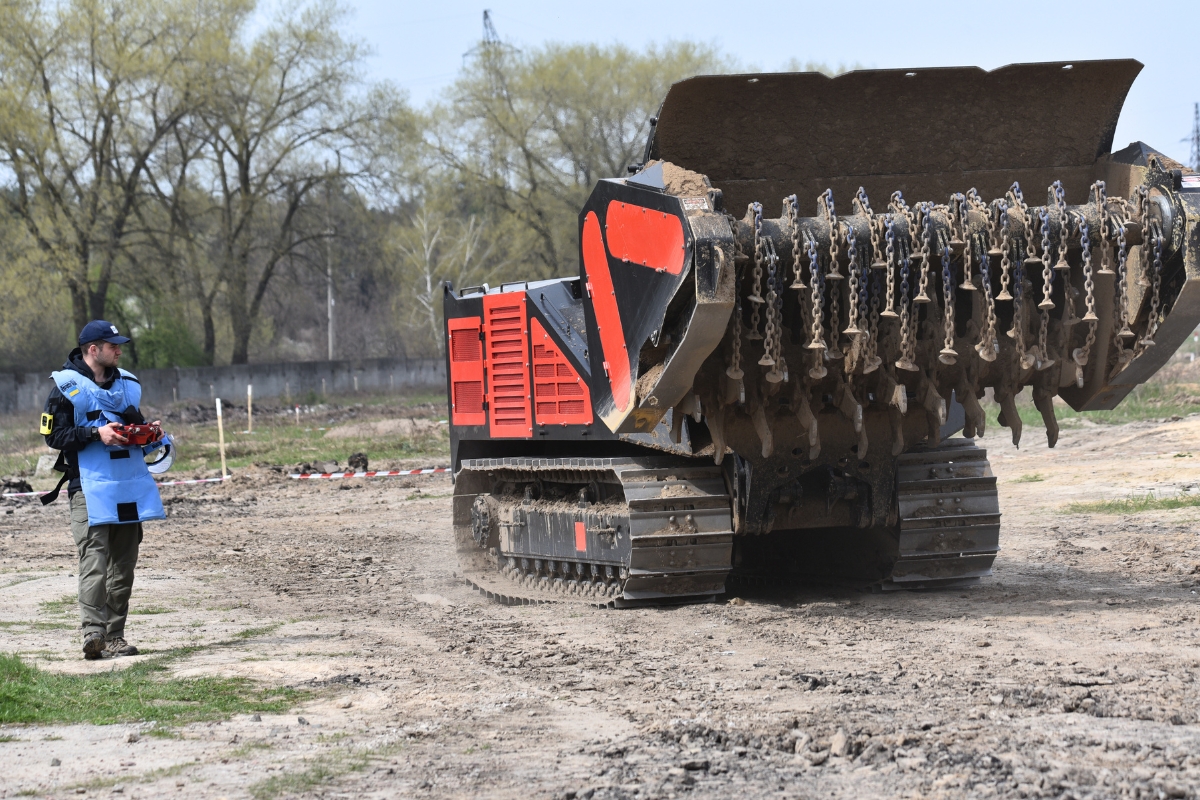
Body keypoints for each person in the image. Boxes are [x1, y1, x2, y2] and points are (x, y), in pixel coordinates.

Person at [41, 320, 165, 660]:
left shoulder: (127, 385)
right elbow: (54, 437)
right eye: (113, 346)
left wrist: (148, 432)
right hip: (87, 488)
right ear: (93, 349)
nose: (119, 351)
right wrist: (97, 434)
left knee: (123, 566)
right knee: (94, 561)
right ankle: (93, 634)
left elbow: (134, 426)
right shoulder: (65, 387)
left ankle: (115, 636)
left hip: (127, 487)